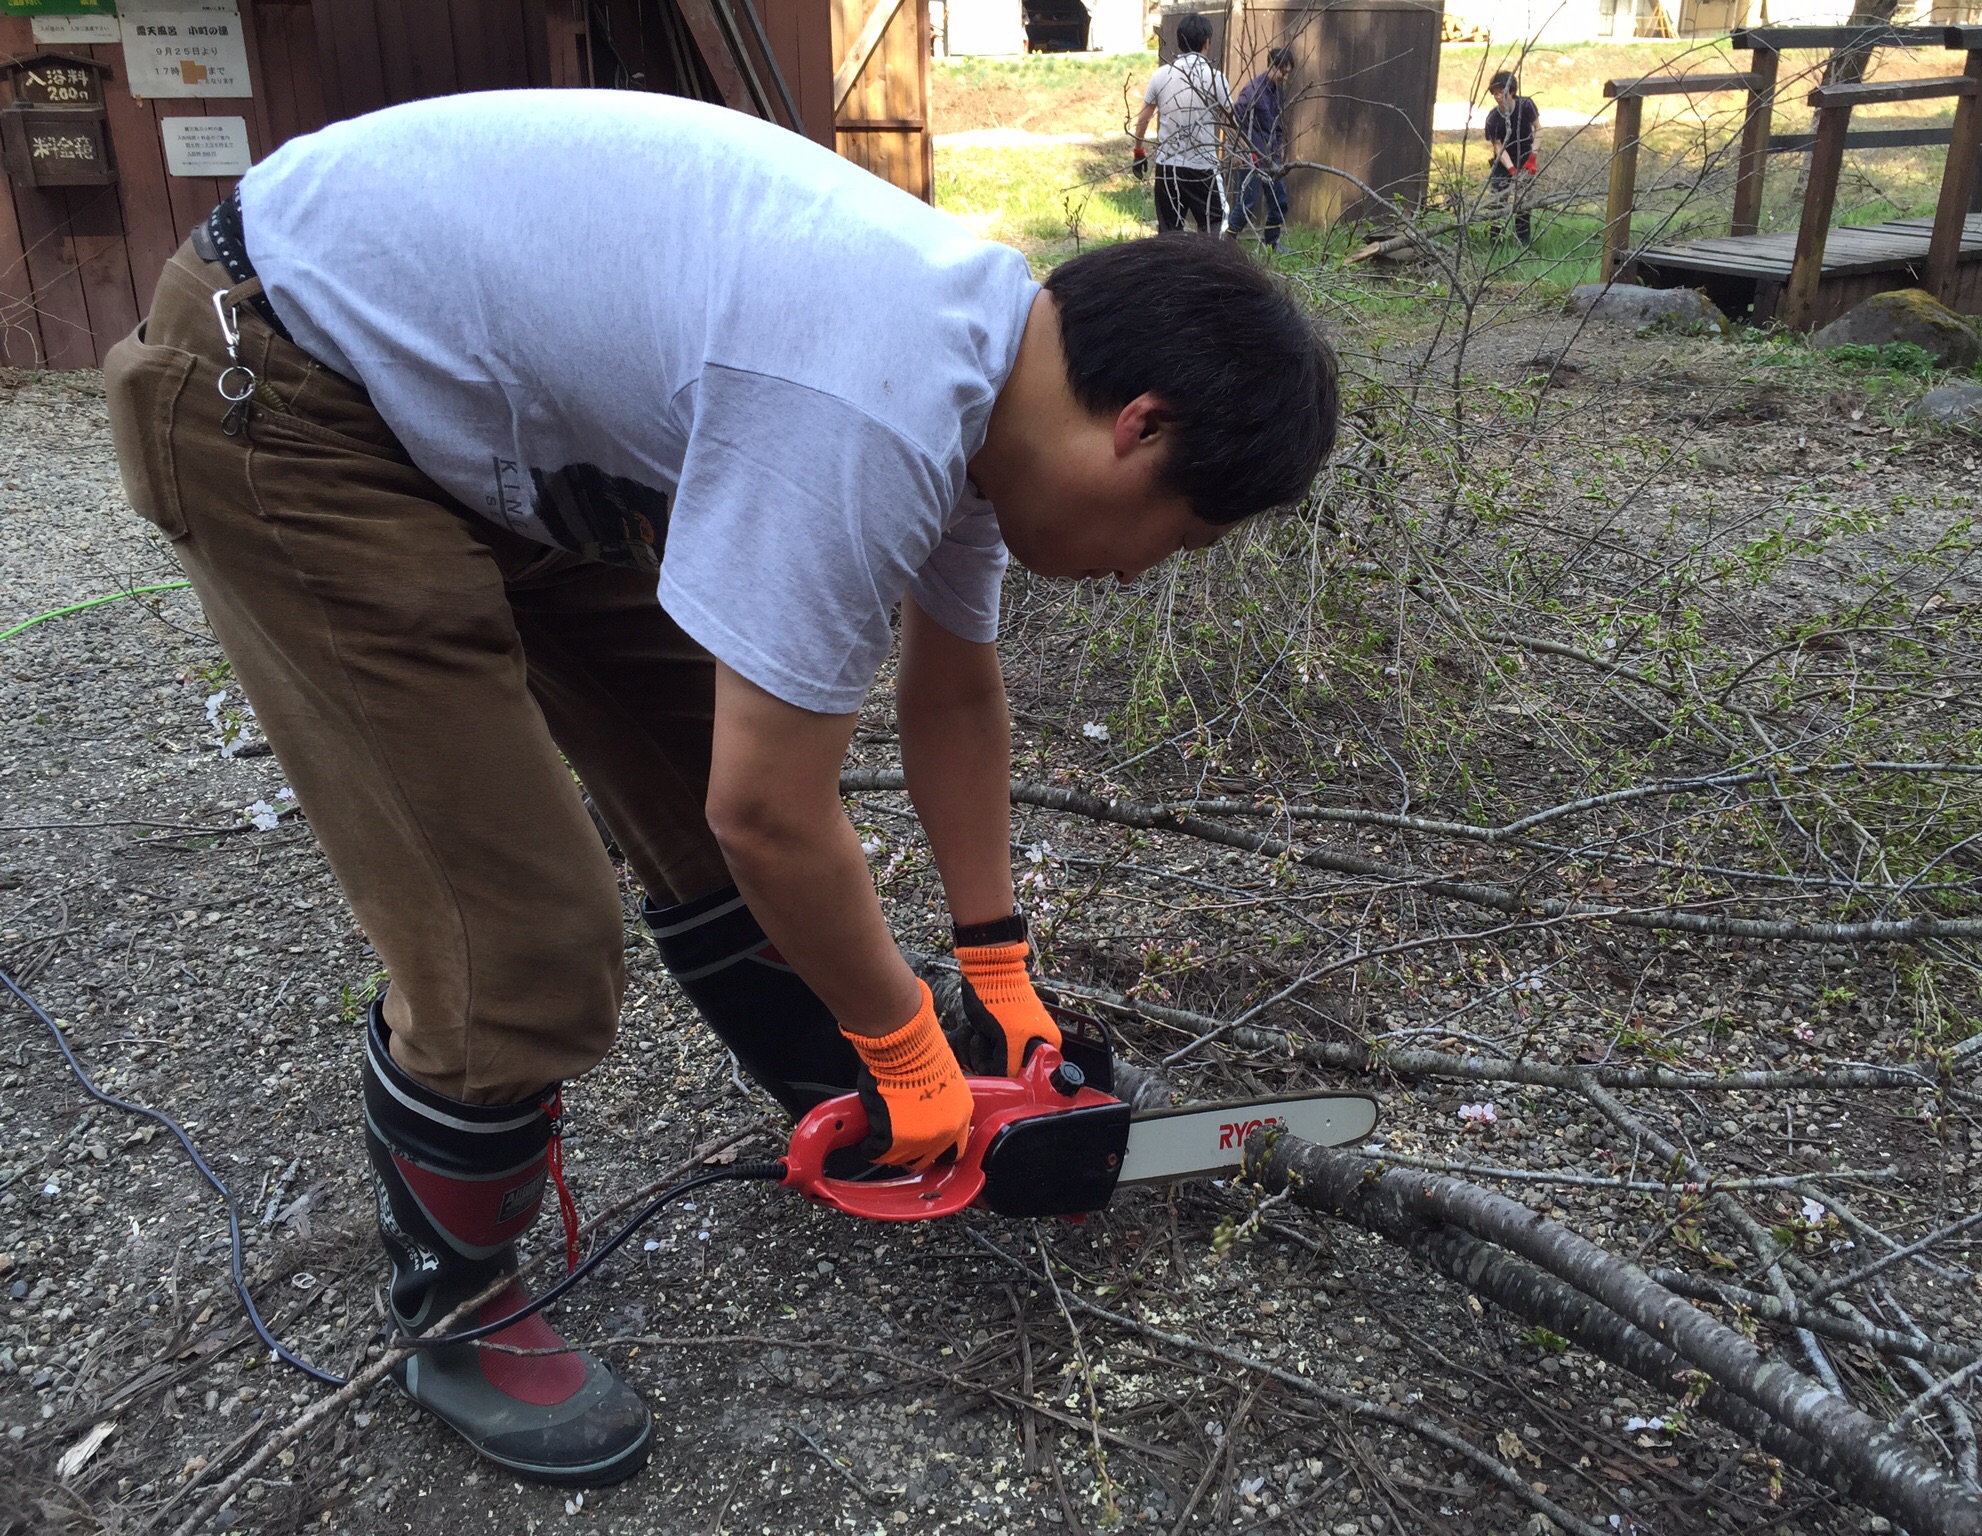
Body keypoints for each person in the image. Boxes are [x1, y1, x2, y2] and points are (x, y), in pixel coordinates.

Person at [102, 91, 1339, 1489]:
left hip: (492, 414)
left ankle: (852, 1086)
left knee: (710, 772)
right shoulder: (867, 402)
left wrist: (999, 976)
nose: (1137, 573)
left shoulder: (986, 367)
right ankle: (451, 1307)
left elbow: (952, 695)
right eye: (1176, 536)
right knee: (524, 938)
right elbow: (770, 811)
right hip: (287, 379)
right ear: (1139, 427)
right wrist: (914, 1043)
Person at [1133, 14, 1233, 235]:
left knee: (1170, 231)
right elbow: (1231, 123)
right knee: (1214, 226)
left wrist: (1138, 151)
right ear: (1207, 42)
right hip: (1203, 168)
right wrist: (1226, 158)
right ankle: (1208, 269)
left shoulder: (1161, 75)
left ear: (1179, 41)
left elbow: (1142, 118)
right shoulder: (1216, 78)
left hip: (1168, 167)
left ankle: (1170, 270)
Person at [1228, 46, 1294, 250]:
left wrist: (1280, 147)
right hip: (1252, 157)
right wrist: (1239, 151)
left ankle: (1272, 242)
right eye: (1283, 72)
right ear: (1272, 66)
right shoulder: (1252, 91)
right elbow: (1233, 122)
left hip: (1271, 158)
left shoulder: (1277, 91)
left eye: (1288, 73)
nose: (1285, 77)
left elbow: (1277, 122)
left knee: (1279, 200)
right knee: (1247, 204)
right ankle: (1227, 243)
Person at [1483, 68, 1539, 244]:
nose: (1499, 97)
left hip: (1525, 157)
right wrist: (1511, 169)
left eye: (1502, 93)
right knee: (1498, 201)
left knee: (1523, 203)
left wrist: (1532, 157)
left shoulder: (1526, 105)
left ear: (1512, 92)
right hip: (1503, 162)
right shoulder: (1492, 119)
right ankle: (1495, 242)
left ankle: (1522, 242)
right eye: (1495, 94)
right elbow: (1498, 147)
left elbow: (1539, 129)